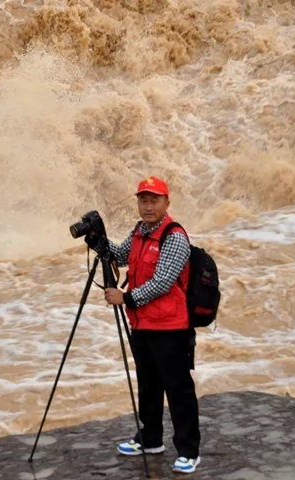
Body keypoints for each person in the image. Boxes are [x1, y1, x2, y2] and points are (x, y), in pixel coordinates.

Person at [96, 176, 201, 474]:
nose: (148, 206)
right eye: (143, 200)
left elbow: (163, 282)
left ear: (167, 202)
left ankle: (189, 451)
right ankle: (151, 439)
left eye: (154, 200)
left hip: (170, 327)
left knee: (178, 389)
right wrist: (98, 239)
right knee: (148, 384)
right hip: (142, 324)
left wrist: (125, 298)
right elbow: (120, 256)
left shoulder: (174, 236)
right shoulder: (139, 231)